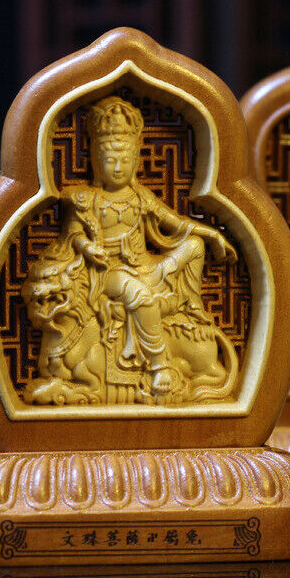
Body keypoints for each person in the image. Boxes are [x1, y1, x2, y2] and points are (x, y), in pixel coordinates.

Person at [57, 94, 237, 395]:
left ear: (136, 161)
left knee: (193, 246)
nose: (118, 167)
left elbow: (176, 223)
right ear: (97, 162)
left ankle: (191, 307)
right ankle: (158, 365)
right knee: (138, 294)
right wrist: (89, 248)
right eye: (110, 160)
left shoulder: (141, 196)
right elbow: (73, 235)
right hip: (110, 273)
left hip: (147, 267)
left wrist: (211, 235)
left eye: (124, 160)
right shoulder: (87, 199)